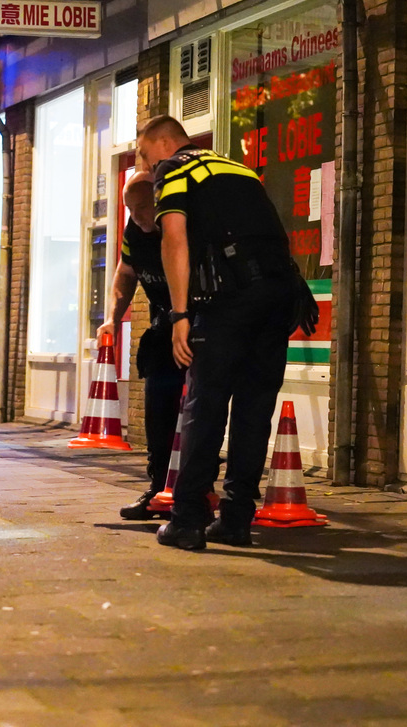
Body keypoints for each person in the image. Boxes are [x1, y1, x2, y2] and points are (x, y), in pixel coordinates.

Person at [138, 114, 315, 551]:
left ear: (164, 144)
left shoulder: (174, 169)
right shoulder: (237, 168)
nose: (145, 165)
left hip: (228, 302)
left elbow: (174, 239)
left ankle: (187, 521)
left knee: (206, 404)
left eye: (144, 154)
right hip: (277, 298)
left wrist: (180, 314)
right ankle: (236, 520)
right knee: (255, 409)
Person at [97, 168, 186, 520]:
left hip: (195, 325)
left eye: (142, 209)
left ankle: (197, 488)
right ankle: (158, 486)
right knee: (157, 410)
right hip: (164, 326)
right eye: (130, 210)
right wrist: (113, 316)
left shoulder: (180, 222)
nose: (136, 217)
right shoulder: (135, 230)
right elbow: (126, 272)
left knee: (192, 412)